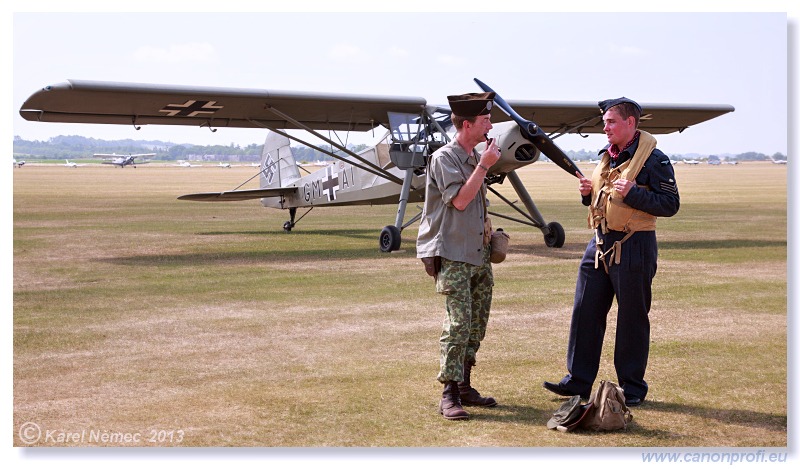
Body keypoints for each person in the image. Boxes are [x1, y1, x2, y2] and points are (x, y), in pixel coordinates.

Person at [543, 97, 680, 407]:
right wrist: (588, 195)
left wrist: (633, 195)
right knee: (585, 311)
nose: (604, 127)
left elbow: (670, 205)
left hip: (635, 245)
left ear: (630, 123)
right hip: (600, 242)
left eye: (611, 121)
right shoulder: (607, 158)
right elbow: (604, 201)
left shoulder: (654, 160)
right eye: (604, 121)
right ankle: (578, 381)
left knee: (632, 318)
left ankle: (632, 388)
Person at [417, 92, 502, 420]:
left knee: (476, 322)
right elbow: (461, 201)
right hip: (452, 254)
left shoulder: (472, 157)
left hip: (477, 253)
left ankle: (465, 385)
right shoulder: (445, 158)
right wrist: (484, 164)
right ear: (467, 124)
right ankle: (449, 393)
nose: (489, 126)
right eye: (484, 122)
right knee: (458, 323)